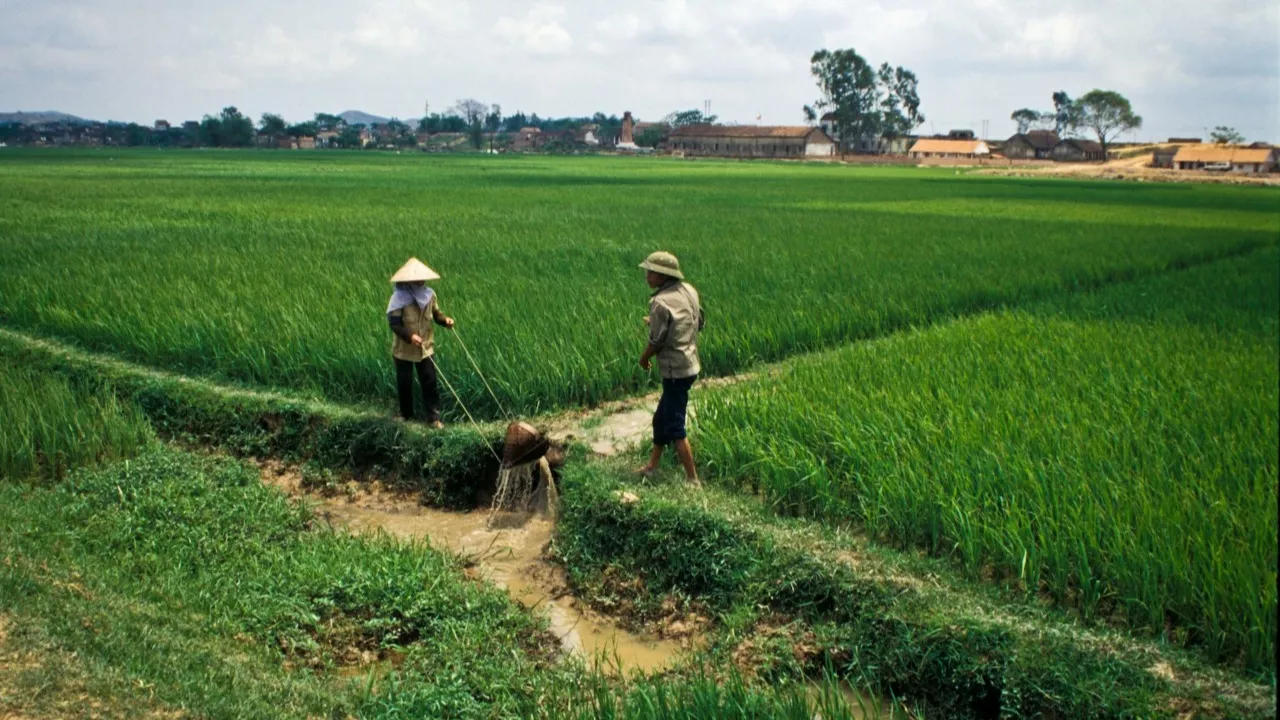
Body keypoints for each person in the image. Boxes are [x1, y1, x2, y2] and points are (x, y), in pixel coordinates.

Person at [635, 251, 705, 484]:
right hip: (691, 364)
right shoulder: (689, 291)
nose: (647, 277)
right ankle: (652, 466)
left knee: (675, 426)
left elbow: (657, 341)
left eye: (651, 272)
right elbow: (698, 321)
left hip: (675, 371)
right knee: (660, 418)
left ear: (663, 275)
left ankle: (693, 480)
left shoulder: (659, 302)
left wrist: (644, 358)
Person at [386, 257, 454, 428]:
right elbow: (395, 324)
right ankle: (406, 414)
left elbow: (436, 314)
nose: (421, 281)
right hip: (404, 349)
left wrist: (445, 320)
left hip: (426, 347)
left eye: (422, 278)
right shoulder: (398, 298)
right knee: (405, 382)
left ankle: (433, 418)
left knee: (430, 381)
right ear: (409, 280)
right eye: (417, 279)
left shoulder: (429, 295)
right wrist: (410, 336)